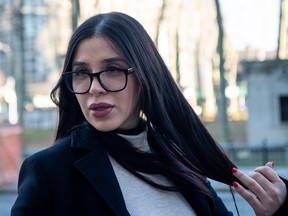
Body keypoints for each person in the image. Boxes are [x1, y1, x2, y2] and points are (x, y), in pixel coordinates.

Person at [11, 12, 287, 216]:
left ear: (145, 76)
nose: (95, 88)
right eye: (82, 73)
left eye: (113, 69)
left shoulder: (181, 159)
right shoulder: (49, 172)